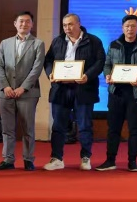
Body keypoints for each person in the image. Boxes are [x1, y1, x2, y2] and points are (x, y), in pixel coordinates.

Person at [43, 13, 105, 171]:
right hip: (61, 89)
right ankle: (57, 158)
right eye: (64, 25)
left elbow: (100, 62)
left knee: (84, 125)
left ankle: (85, 158)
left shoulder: (93, 41)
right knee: (58, 125)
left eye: (70, 24)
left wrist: (87, 75)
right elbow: (48, 60)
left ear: (78, 24)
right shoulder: (57, 41)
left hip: (84, 88)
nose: (67, 28)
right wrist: (50, 73)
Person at [96, 14, 137, 172]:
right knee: (113, 128)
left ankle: (132, 161)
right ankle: (110, 160)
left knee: (135, 129)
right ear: (122, 28)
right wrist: (107, 75)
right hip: (116, 92)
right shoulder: (114, 45)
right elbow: (107, 64)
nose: (130, 29)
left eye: (133, 26)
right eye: (127, 26)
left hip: (135, 93)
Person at [0, 11, 46, 171]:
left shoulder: (38, 43)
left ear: (32, 24)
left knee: (28, 128)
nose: (24, 24)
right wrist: (6, 86)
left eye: (28, 21)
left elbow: (37, 68)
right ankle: (8, 159)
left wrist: (23, 87)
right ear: (15, 24)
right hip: (6, 92)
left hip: (28, 93)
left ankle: (28, 159)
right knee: (7, 128)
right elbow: (0, 66)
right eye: (21, 21)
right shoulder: (5, 43)